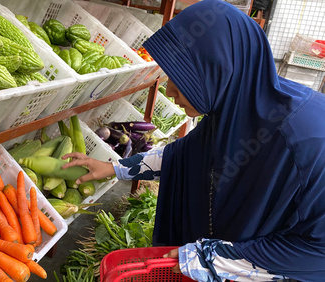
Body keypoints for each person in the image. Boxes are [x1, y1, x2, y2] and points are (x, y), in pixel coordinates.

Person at [61, 0, 325, 281]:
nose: (170, 90)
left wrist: (214, 259)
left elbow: (317, 253)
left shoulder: (308, 142)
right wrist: (115, 168)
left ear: (218, 69)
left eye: (182, 79)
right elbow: (184, 155)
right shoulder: (237, 106)